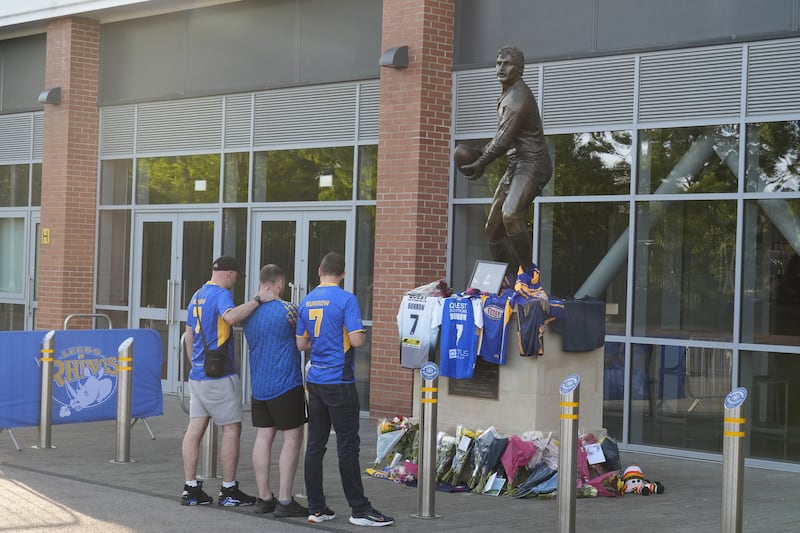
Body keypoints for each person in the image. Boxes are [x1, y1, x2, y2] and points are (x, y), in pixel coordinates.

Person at [296, 252, 394, 527]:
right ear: (343, 274)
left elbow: (302, 345)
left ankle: (316, 508)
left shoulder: (306, 300)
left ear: (319, 270)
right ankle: (359, 509)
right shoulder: (347, 299)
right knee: (347, 445)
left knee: (315, 444)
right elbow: (357, 340)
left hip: (315, 380)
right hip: (339, 381)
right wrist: (358, 334)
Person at [181, 255, 271, 507]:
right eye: (236, 277)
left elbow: (188, 335)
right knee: (231, 428)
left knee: (194, 428)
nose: (235, 281)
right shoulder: (221, 294)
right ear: (230, 273)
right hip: (219, 375)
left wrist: (195, 364)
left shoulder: (197, 294)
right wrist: (256, 300)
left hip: (198, 374)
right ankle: (229, 490)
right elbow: (231, 318)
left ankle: (190, 488)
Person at [460, 45, 553, 276]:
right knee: (492, 229)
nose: (501, 67)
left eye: (507, 63)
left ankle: (530, 276)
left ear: (519, 69)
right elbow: (504, 138)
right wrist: (480, 154)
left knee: (510, 214)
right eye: (498, 62)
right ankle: (507, 279)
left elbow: (503, 139)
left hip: (533, 162)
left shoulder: (518, 98)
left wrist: (481, 161)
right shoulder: (507, 94)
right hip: (516, 163)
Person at [241, 264, 309, 517]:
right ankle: (285, 500)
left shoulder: (247, 313)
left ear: (261, 284)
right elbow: (303, 339)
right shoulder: (289, 309)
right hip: (287, 384)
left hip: (259, 386)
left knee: (263, 437)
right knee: (292, 439)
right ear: (279, 284)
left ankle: (264, 497)